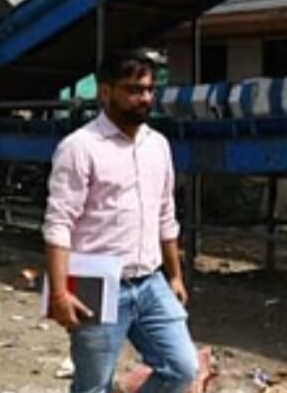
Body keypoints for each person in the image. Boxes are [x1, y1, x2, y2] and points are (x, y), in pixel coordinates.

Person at [43, 49, 198, 393]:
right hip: (94, 282)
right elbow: (59, 224)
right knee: (94, 385)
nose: (144, 98)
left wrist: (175, 275)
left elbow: (166, 214)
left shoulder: (158, 145)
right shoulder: (80, 147)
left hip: (150, 281)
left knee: (182, 369)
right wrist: (59, 292)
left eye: (149, 90)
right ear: (105, 91)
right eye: (133, 90)